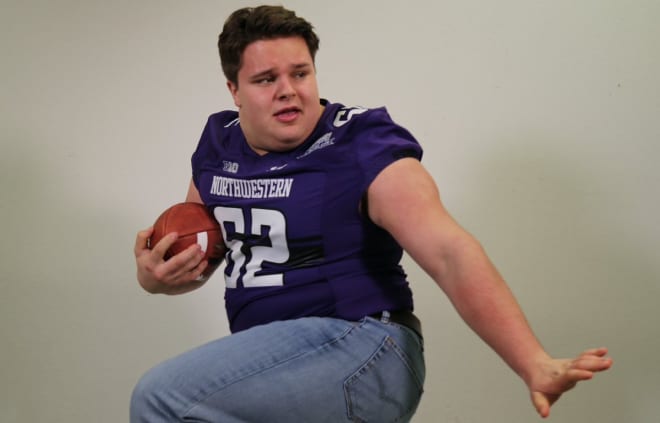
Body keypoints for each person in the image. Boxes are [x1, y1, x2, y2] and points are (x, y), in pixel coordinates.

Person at [131, 5, 612, 422]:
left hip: (364, 344)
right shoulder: (218, 143)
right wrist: (156, 277)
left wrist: (533, 362)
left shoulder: (360, 143)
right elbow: (203, 251)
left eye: (300, 73)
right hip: (281, 362)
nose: (288, 90)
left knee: (163, 399)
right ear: (234, 90)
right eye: (265, 79)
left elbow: (449, 252)